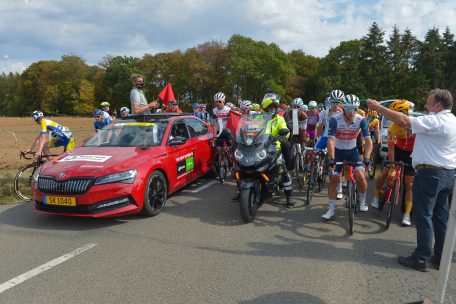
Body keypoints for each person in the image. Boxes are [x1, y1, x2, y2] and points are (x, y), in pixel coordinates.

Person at [367, 89, 456, 272]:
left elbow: (405, 120)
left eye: (429, 102)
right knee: (441, 217)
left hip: (430, 173)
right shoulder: (453, 120)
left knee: (422, 215)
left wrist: (378, 108)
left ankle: (421, 257)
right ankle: (440, 256)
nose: (425, 105)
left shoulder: (435, 120)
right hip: (448, 173)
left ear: (438, 105)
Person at [322, 95, 372, 220]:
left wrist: (366, 157)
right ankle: (331, 208)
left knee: (360, 176)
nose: (352, 112)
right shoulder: (334, 120)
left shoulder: (362, 120)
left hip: (352, 151)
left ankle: (362, 201)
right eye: (349, 109)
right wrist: (332, 158)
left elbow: (368, 141)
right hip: (338, 151)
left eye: (355, 109)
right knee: (333, 178)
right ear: (343, 108)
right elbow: (331, 141)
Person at [371, 100, 415, 226]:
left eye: (398, 114)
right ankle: (376, 196)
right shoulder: (392, 127)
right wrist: (392, 164)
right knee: (384, 172)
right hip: (397, 151)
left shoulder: (415, 126)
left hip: (411, 154)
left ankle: (406, 214)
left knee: (409, 184)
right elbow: (390, 147)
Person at [262, 96, 294, 207]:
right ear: (265, 108)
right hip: (261, 147)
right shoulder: (258, 119)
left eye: (274, 107)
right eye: (270, 108)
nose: (272, 109)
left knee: (283, 170)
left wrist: (283, 136)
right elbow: (250, 128)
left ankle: (289, 195)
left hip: (275, 148)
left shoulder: (279, 119)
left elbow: (286, 130)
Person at [316, 91, 344, 199]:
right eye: (334, 102)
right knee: (314, 151)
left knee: (337, 165)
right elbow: (320, 126)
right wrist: (317, 137)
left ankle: (340, 187)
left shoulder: (342, 113)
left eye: (339, 102)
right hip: (325, 136)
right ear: (330, 101)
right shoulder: (323, 113)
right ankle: (317, 168)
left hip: (336, 139)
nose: (336, 104)